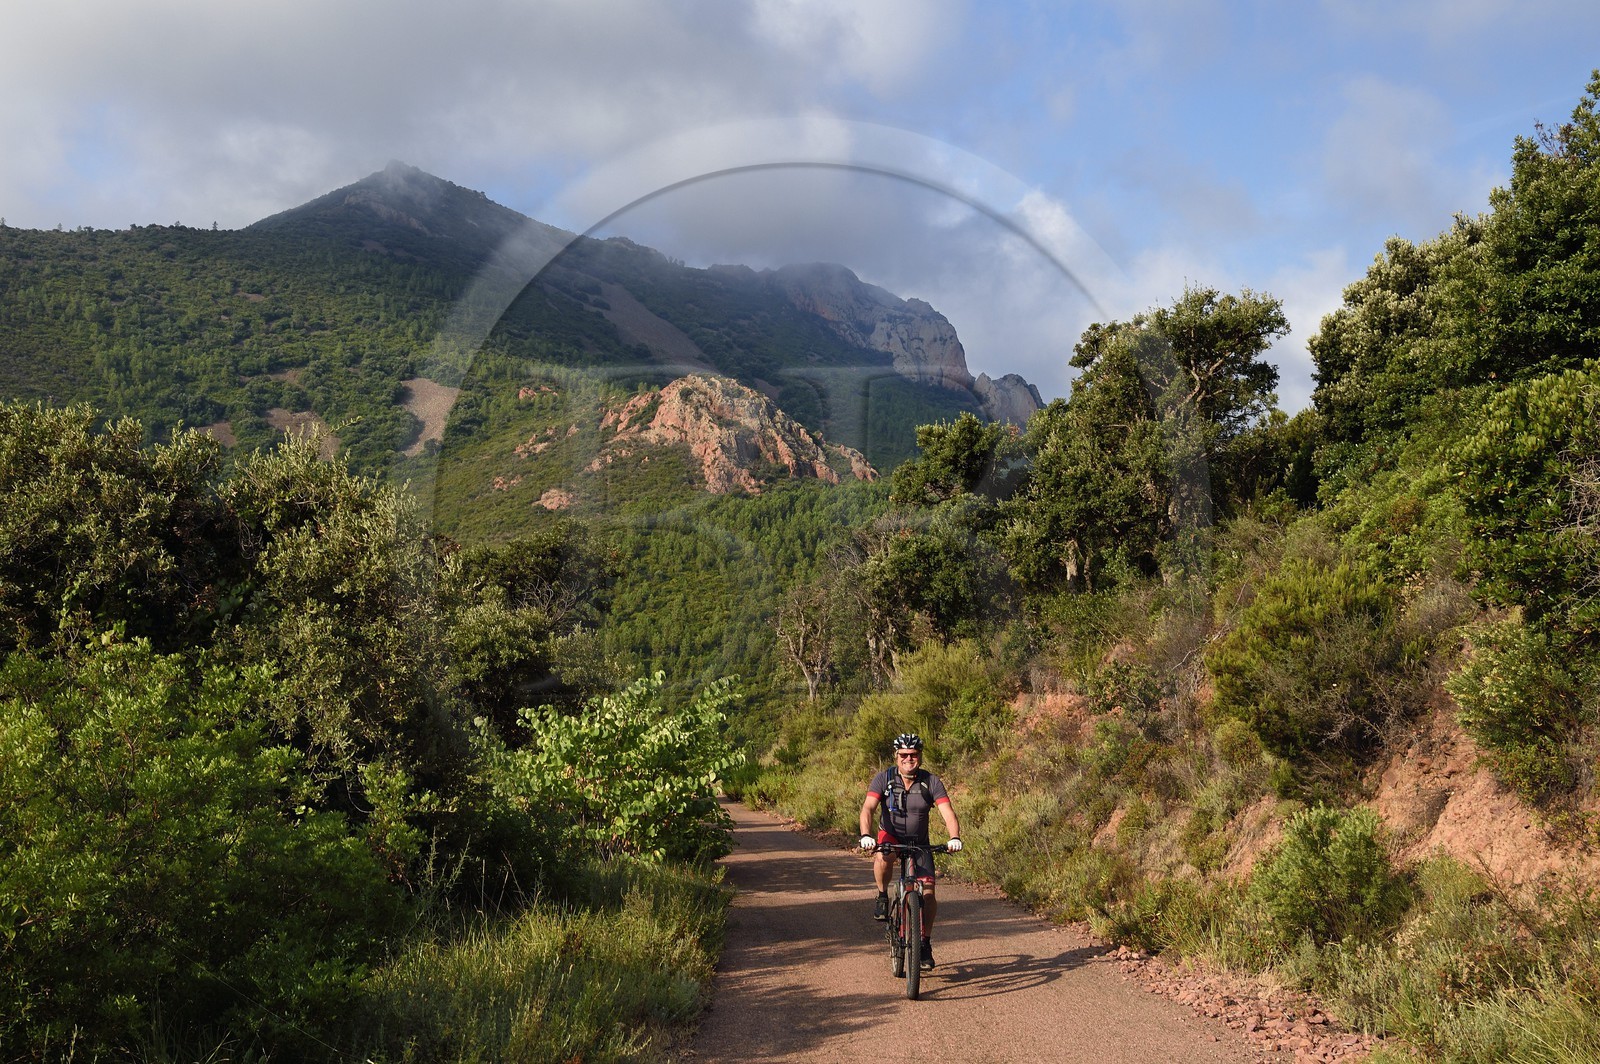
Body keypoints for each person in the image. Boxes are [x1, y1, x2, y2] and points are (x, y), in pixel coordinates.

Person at [858, 732, 962, 970]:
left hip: (919, 843)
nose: (908, 759)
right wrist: (866, 834)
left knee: (928, 894)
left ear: (920, 756)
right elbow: (868, 808)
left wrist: (954, 837)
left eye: (913, 754)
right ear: (896, 757)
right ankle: (883, 895)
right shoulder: (883, 779)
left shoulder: (931, 782)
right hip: (891, 835)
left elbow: (948, 813)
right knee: (883, 854)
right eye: (903, 755)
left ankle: (924, 943)